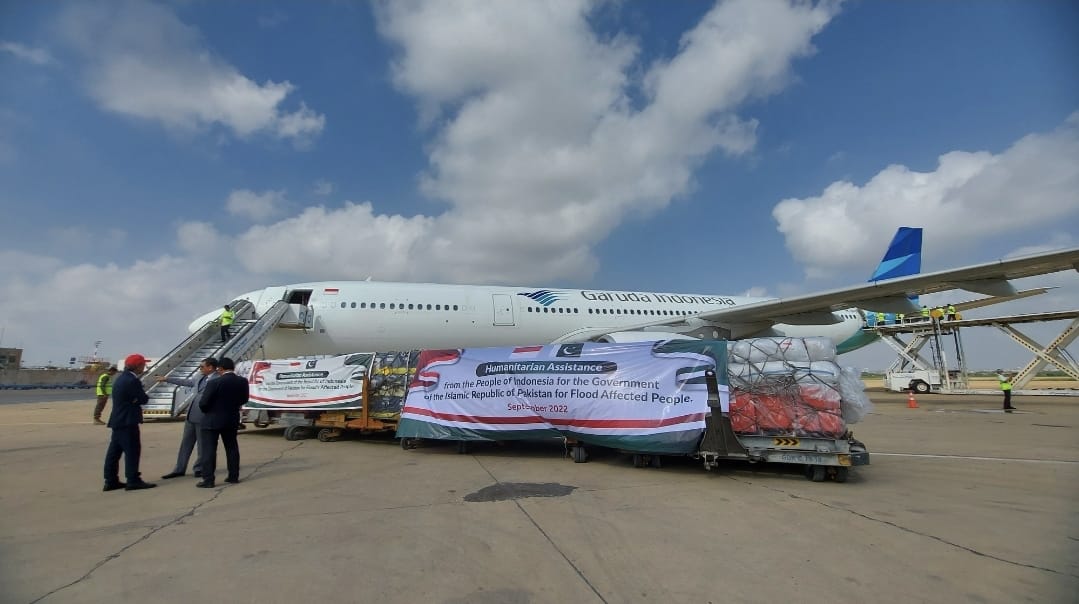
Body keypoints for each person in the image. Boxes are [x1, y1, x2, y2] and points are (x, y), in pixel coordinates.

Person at [158, 357, 219, 479]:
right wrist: (167, 379)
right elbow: (187, 382)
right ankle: (179, 468)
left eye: (202, 366)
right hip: (191, 415)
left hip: (204, 416)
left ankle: (199, 468)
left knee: (202, 445)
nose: (200, 369)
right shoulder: (198, 377)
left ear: (210, 367)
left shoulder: (218, 379)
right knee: (186, 443)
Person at [102, 354, 157, 491]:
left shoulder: (120, 379)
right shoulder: (132, 381)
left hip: (118, 420)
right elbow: (143, 398)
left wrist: (134, 400)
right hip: (128, 420)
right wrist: (136, 400)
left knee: (114, 452)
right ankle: (133, 479)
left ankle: (110, 480)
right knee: (132, 451)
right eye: (143, 364)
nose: (144, 367)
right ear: (138, 366)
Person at [197, 356, 249, 487]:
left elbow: (203, 403)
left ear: (220, 368)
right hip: (231, 419)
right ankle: (233, 476)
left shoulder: (214, 382)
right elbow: (244, 399)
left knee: (209, 450)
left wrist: (209, 410)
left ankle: (208, 480)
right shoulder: (242, 381)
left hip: (211, 420)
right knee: (232, 448)